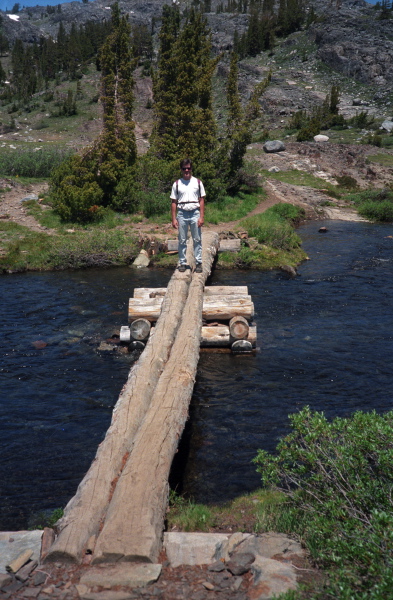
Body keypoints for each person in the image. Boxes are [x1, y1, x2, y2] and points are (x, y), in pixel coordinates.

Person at [170, 158, 206, 273]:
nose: (187, 170)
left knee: (197, 238)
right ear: (181, 169)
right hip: (182, 213)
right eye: (184, 168)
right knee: (182, 239)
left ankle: (199, 262)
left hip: (195, 212)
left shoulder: (198, 183)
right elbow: (174, 202)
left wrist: (201, 216)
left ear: (191, 169)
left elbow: (201, 200)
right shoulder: (177, 184)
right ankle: (182, 262)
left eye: (189, 168)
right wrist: (173, 218)